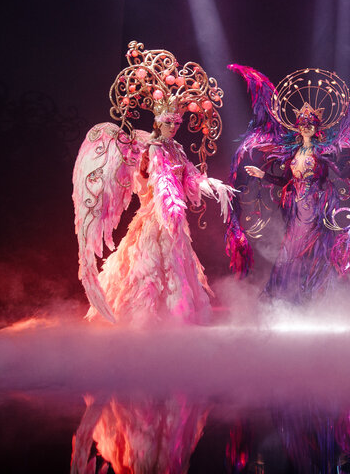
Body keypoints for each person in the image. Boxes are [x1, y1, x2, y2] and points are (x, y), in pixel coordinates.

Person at [73, 42, 234, 325]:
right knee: (148, 266)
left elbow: (190, 177)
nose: (174, 128)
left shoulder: (176, 149)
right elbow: (152, 181)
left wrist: (212, 185)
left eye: (177, 124)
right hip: (154, 217)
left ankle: (174, 315)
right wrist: (161, 188)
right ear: (159, 122)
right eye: (169, 123)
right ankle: (143, 317)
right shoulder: (153, 149)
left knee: (175, 264)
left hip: (174, 218)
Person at [225, 56, 350, 303]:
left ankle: (318, 297)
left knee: (316, 251)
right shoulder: (293, 153)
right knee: (290, 251)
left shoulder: (322, 152)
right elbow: (285, 181)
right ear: (297, 126)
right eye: (302, 123)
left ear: (317, 126)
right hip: (295, 210)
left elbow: (337, 175)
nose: (306, 126)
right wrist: (262, 174)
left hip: (316, 208)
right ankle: (288, 297)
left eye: (310, 123)